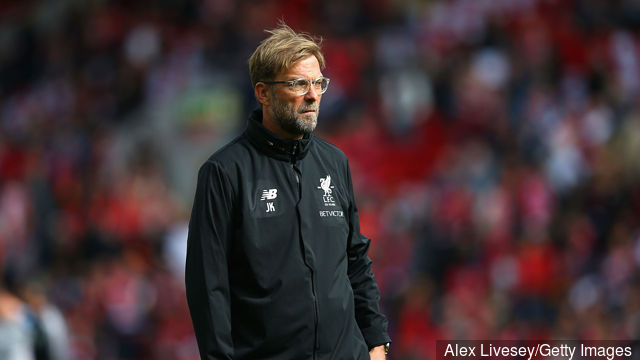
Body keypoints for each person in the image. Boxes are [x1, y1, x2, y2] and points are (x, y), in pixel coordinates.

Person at [185, 23, 391, 360]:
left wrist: (376, 343)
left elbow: (355, 260)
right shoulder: (224, 172)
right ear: (263, 93)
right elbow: (208, 287)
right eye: (298, 84)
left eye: (318, 83)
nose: (313, 95)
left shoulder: (334, 162)